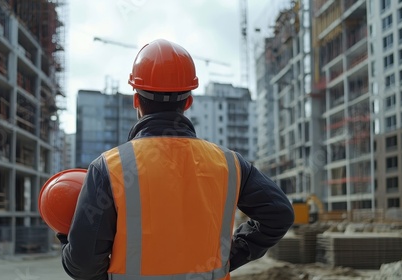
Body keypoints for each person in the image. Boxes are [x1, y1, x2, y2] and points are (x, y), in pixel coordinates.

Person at [58, 38, 294, 280]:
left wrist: (68, 238)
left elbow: (83, 265)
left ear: (136, 101)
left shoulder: (109, 167)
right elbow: (278, 213)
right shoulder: (230, 164)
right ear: (189, 102)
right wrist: (226, 258)